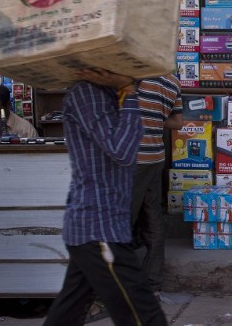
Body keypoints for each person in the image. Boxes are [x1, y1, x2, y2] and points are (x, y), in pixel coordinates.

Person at [43, 67, 167, 326]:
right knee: (141, 310)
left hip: (102, 225)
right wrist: (130, 92)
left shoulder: (111, 93)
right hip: (99, 225)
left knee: (68, 312)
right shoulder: (88, 93)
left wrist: (125, 91)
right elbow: (121, 150)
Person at [131, 74, 183, 300]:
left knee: (119, 222)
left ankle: (115, 286)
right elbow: (177, 122)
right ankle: (152, 284)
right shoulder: (172, 80)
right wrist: (154, 120)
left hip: (133, 158)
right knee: (153, 220)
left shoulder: (136, 74)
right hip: (155, 157)